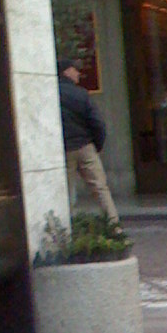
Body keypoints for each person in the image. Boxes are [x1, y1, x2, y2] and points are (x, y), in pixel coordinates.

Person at [58, 59, 122, 232]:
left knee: (67, 193)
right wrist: (96, 145)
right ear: (67, 71)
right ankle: (114, 226)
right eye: (75, 70)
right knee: (100, 188)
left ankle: (67, 231)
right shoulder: (81, 94)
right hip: (85, 146)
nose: (78, 73)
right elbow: (97, 122)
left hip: (63, 149)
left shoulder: (51, 93)